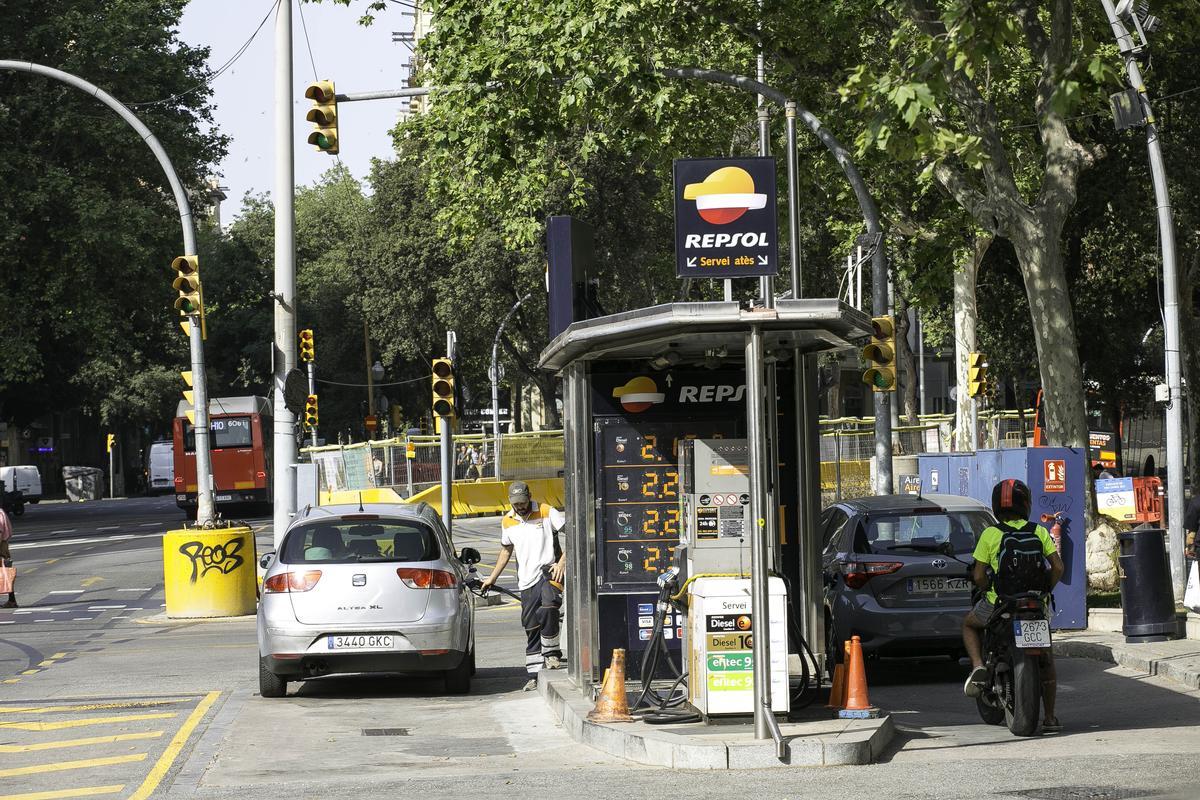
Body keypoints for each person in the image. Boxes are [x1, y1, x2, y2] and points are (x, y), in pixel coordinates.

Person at [961, 478, 1065, 732]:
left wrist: (988, 589)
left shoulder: (991, 534)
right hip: (1034, 604)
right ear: (1026, 504)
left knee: (969, 625)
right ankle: (1050, 717)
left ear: (997, 506)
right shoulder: (1039, 531)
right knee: (1046, 658)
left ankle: (978, 666)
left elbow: (978, 575)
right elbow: (1058, 567)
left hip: (1001, 603)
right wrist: (1043, 591)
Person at [480, 480, 567, 690]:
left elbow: (573, 534)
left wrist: (562, 562)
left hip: (549, 571)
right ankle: (534, 675)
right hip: (525, 580)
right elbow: (506, 551)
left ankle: (552, 654)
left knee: (549, 608)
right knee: (531, 627)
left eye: (522, 502)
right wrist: (492, 578)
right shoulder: (508, 521)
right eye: (516, 504)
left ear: (530, 497)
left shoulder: (546, 511)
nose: (520, 507)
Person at [0, 505, 15, 608]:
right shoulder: (1, 512)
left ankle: (12, 600)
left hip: (1, 545)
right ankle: (12, 600)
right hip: (4, 545)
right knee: (6, 572)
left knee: (5, 573)